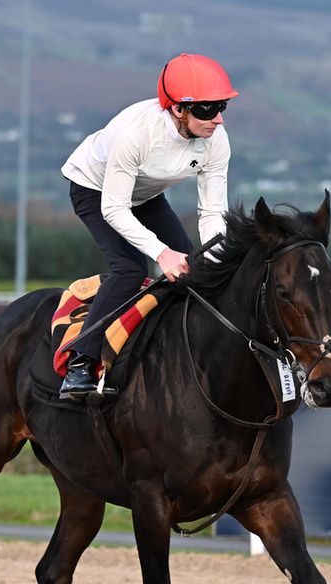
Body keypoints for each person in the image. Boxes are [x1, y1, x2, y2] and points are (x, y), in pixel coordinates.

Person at [58, 53, 238, 399]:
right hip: (96, 190)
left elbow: (213, 211)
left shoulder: (217, 139)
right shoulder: (138, 134)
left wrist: (218, 261)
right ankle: (81, 362)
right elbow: (114, 209)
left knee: (194, 271)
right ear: (178, 110)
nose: (218, 119)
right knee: (130, 268)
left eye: (221, 107)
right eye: (207, 110)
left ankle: (174, 350)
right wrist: (161, 253)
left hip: (145, 194)